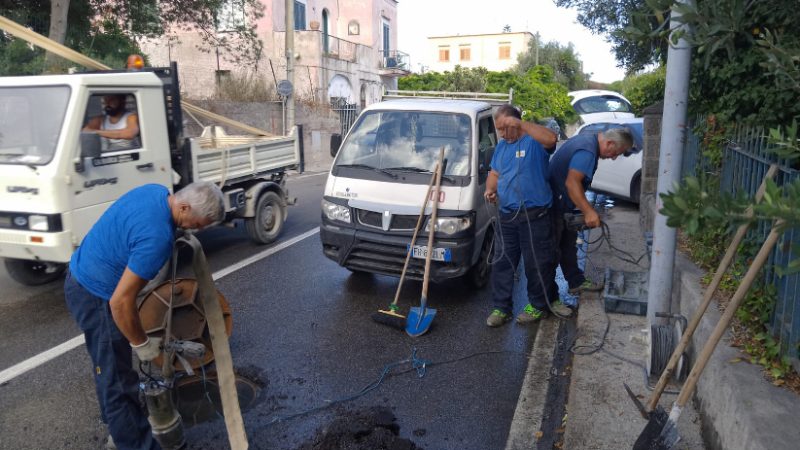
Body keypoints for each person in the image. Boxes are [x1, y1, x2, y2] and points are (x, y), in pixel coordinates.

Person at [64, 182, 225, 450]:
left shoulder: (157, 192)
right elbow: (120, 302)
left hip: (81, 270)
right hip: (95, 294)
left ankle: (118, 423)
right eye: (199, 223)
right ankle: (133, 440)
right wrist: (142, 344)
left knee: (111, 370)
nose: (199, 229)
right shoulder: (157, 239)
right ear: (184, 207)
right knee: (118, 381)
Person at [483, 105, 565, 327]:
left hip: (535, 216)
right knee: (502, 263)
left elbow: (551, 139)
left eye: (504, 128)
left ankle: (538, 306)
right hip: (507, 216)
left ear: (514, 123)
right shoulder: (501, 147)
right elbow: (495, 172)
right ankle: (502, 308)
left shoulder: (534, 141)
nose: (501, 133)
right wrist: (491, 189)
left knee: (536, 263)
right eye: (498, 129)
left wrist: (521, 125)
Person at [548, 128, 634, 303]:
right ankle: (548, 301)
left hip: (562, 203)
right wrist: (588, 211)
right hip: (553, 205)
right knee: (550, 253)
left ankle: (576, 282)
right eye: (615, 152)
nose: (614, 157)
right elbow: (572, 183)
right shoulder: (587, 150)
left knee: (568, 245)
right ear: (609, 143)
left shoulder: (588, 140)